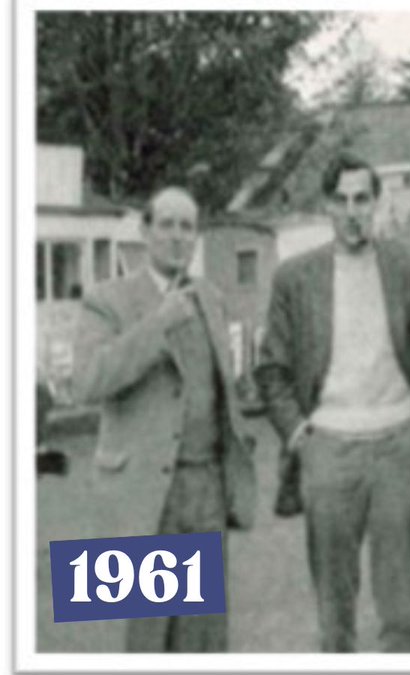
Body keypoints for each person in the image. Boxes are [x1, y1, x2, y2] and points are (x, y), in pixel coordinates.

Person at [255, 153, 410, 652]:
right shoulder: (295, 278)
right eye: (342, 200)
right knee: (334, 609)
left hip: (400, 444)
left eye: (363, 199)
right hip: (329, 448)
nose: (353, 210)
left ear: (377, 203)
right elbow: (270, 368)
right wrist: (300, 436)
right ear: (327, 205)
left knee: (401, 606)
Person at [70, 186, 257, 652]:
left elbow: (221, 390)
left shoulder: (209, 297)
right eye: (167, 225)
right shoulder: (106, 299)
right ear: (145, 232)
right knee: (148, 638)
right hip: (142, 494)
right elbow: (89, 381)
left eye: (187, 227)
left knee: (204, 640)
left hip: (205, 488)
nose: (177, 237)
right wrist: (159, 323)